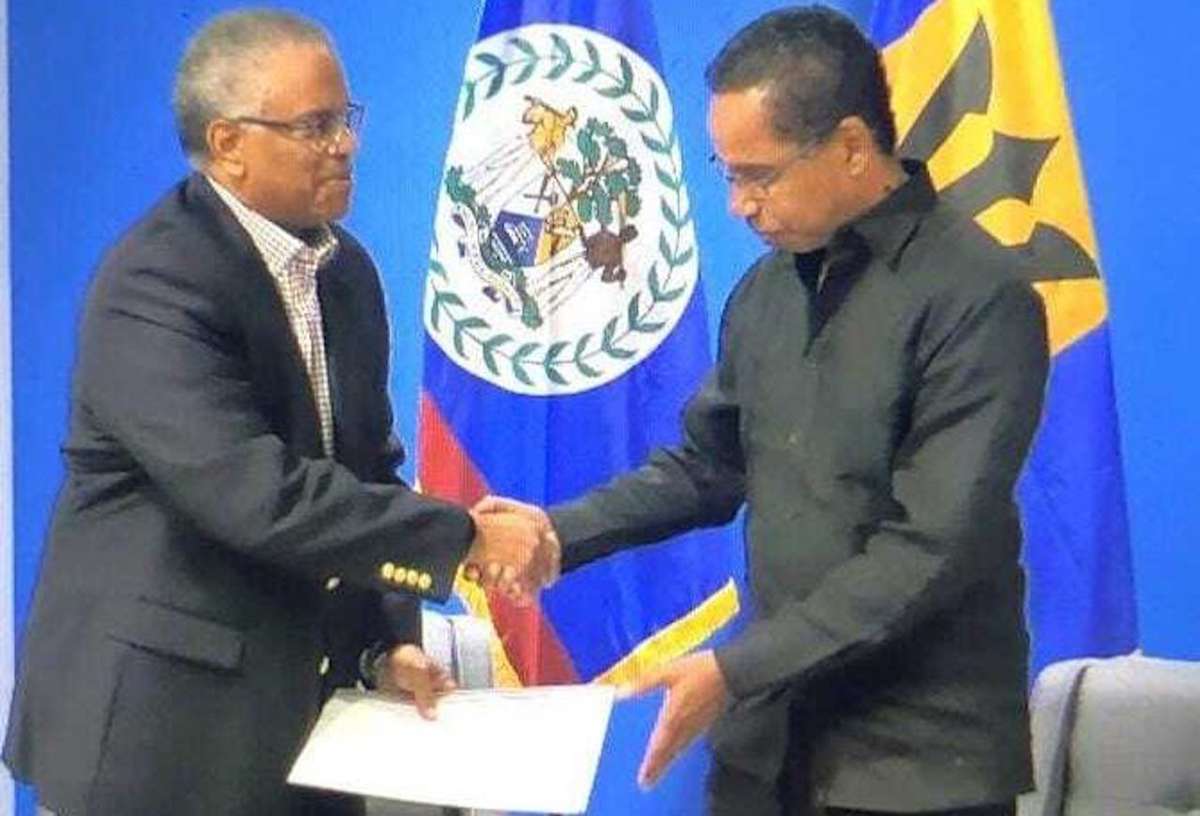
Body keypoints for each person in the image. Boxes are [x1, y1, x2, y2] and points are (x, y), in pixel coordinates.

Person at [476, 5, 1049, 815]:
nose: (739, 204)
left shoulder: (980, 297)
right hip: (769, 744)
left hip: (916, 761)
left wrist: (733, 670)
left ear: (851, 146)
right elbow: (708, 468)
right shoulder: (766, 291)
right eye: (728, 174)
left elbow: (930, 547)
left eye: (760, 175)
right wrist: (559, 532)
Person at [3, 10, 550, 816]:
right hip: (158, 745)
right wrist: (463, 538)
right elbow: (258, 494)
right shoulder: (155, 283)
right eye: (315, 126)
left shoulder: (346, 273)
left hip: (306, 732)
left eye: (345, 119)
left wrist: (383, 644)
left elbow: (365, 470)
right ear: (229, 144)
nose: (346, 144)